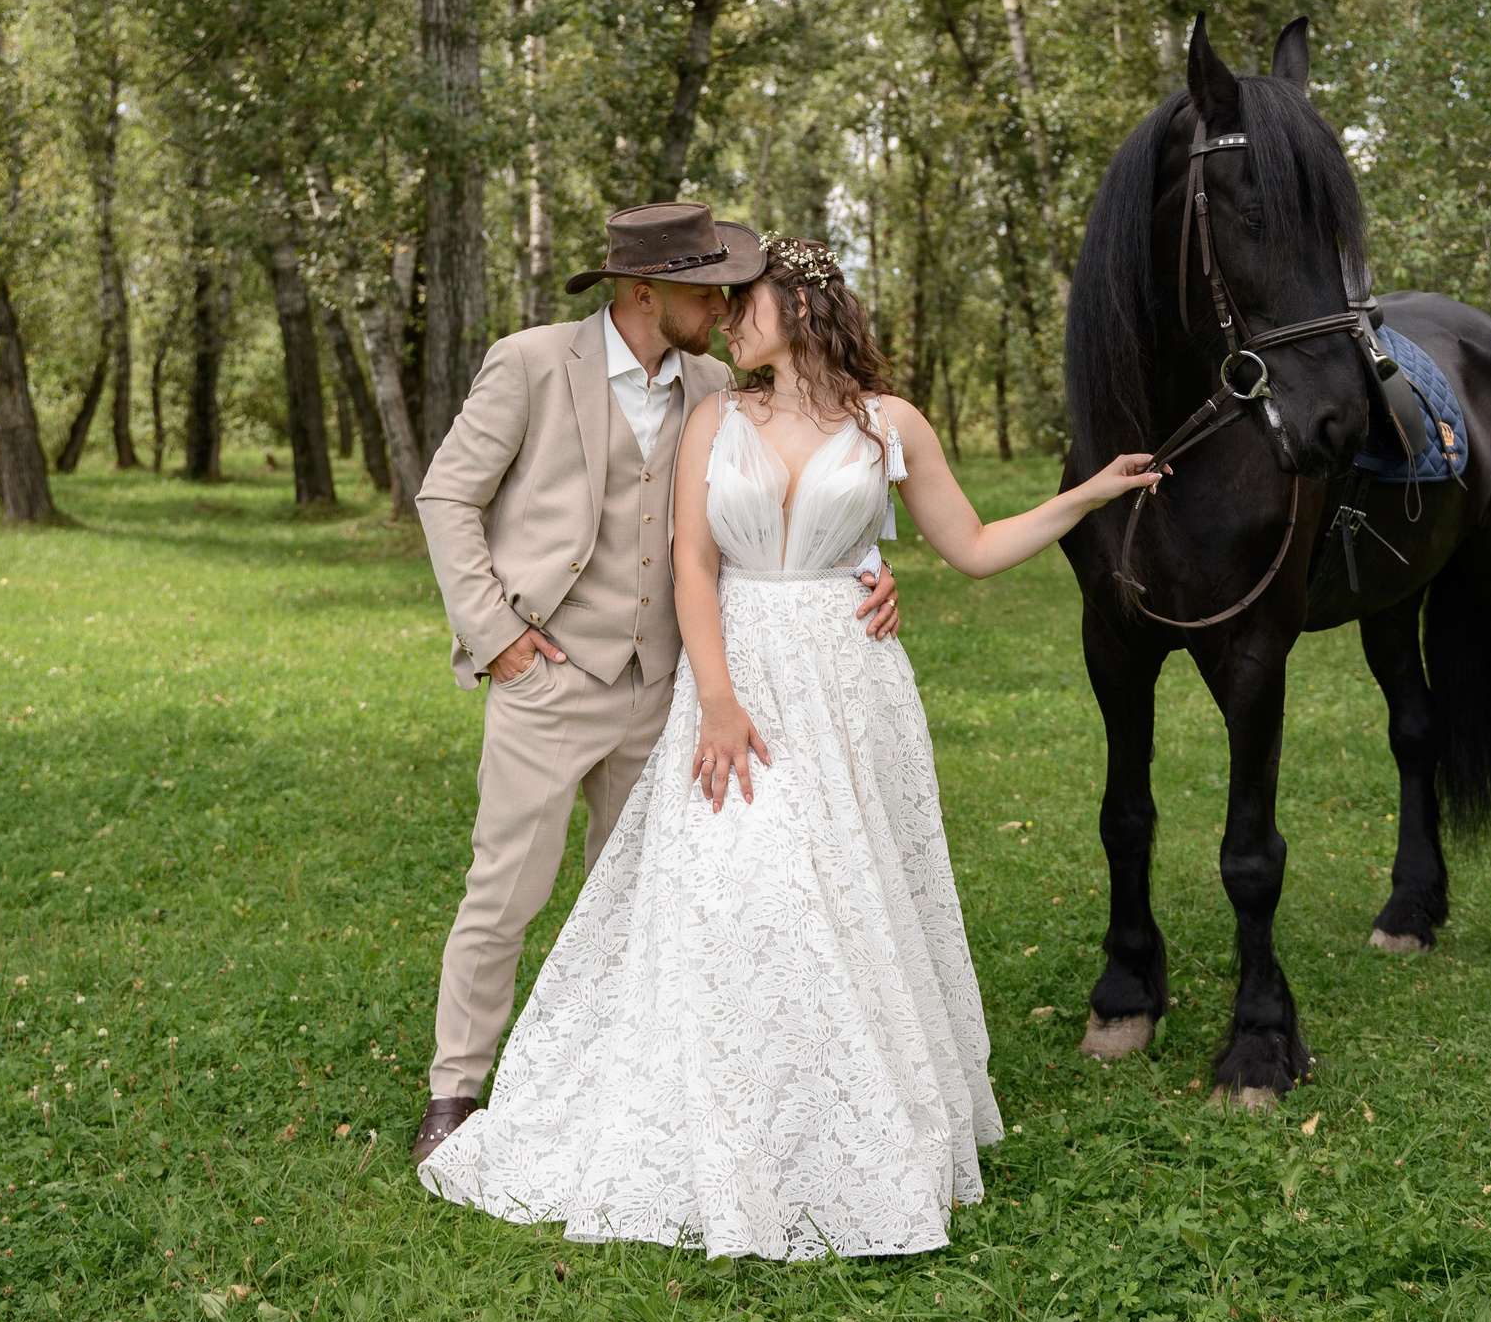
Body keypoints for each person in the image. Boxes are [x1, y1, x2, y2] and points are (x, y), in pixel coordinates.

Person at [418, 234, 1160, 1259]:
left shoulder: (881, 421)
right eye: (715, 300)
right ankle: (511, 1094)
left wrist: (1087, 495)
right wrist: (717, 699)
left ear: (802, 306)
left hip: (842, 688)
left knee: (837, 892)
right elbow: (690, 559)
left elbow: (974, 544)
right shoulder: (700, 406)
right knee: (708, 887)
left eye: (745, 300)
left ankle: (831, 1117)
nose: (726, 314)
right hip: (718, 679)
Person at [412, 203, 901, 1168]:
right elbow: (446, 495)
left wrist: (872, 568)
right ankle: (454, 1088)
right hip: (550, 675)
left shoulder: (718, 386)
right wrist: (497, 635)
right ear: (646, 292)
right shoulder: (532, 362)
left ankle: (616, 1080)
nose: (724, 306)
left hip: (670, 687)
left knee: (637, 896)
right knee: (505, 888)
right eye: (707, 289)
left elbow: (797, 482)